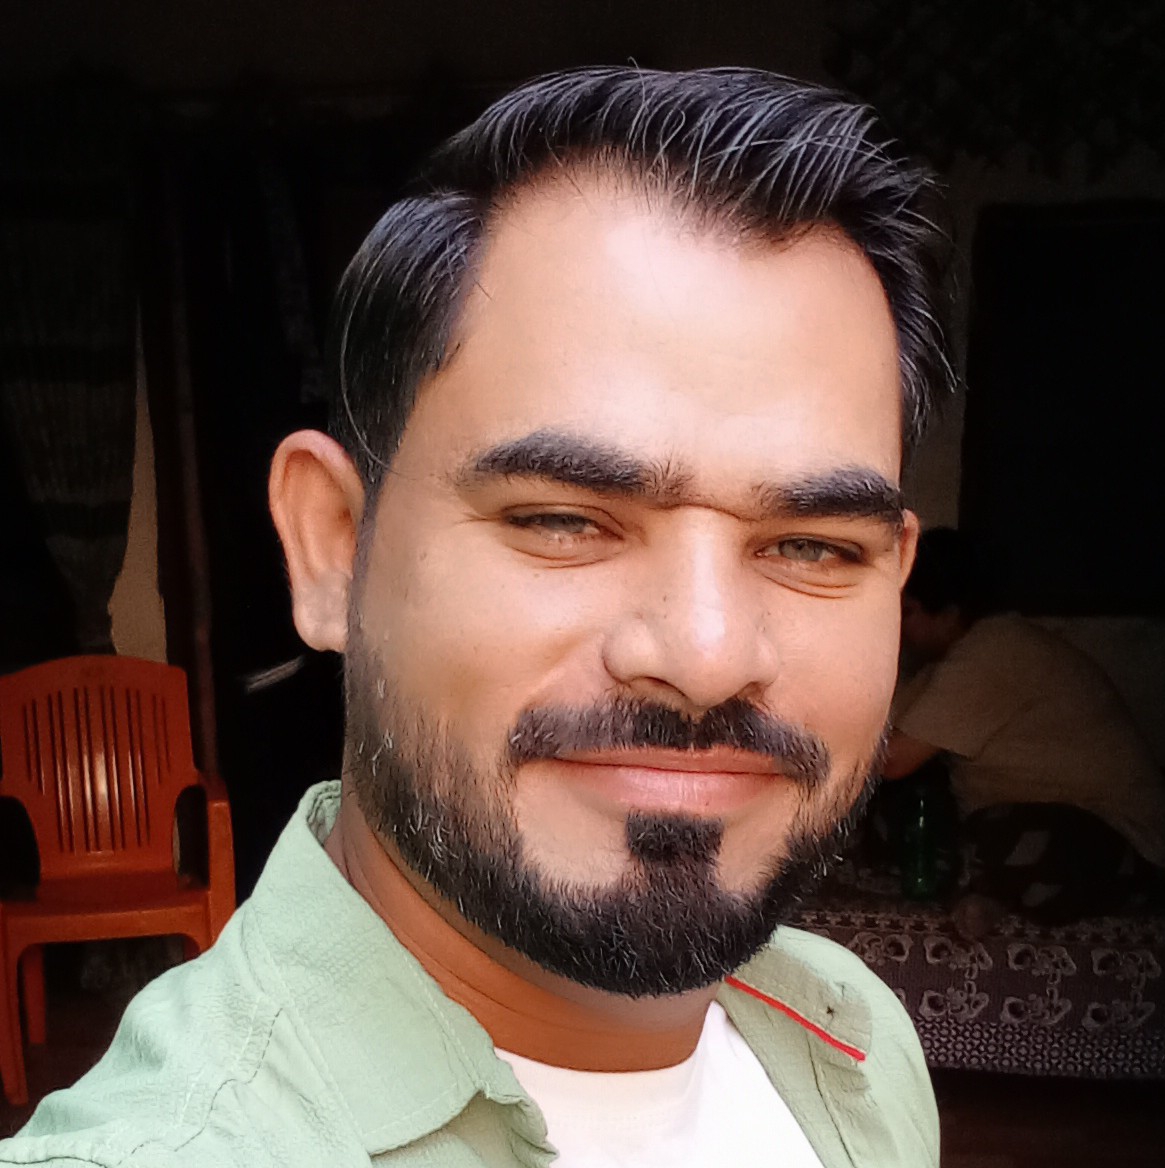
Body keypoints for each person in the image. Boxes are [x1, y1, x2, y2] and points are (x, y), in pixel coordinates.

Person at [1, 67, 955, 1166]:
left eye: (813, 547)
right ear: (332, 549)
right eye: (562, 520)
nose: (705, 654)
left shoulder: (857, 1039)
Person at [886, 527, 1165, 930]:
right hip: (1010, 821)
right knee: (909, 813)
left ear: (949, 612)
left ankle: (993, 890)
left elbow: (893, 760)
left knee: (1010, 837)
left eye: (908, 612)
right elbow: (885, 728)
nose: (899, 626)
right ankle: (993, 890)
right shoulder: (949, 663)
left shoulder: (997, 649)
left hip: (1122, 840)